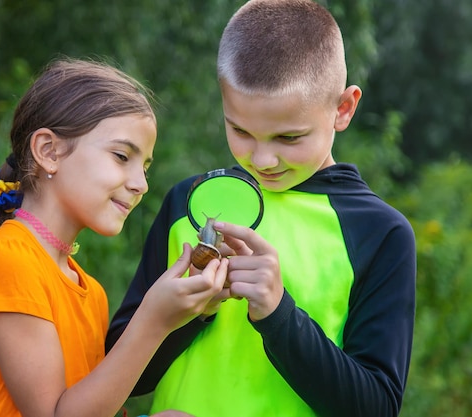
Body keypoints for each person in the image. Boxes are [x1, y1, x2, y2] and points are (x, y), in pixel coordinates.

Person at [105, 1, 416, 416]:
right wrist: (192, 312)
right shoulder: (187, 203)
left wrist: (278, 313)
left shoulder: (380, 233)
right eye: (240, 130)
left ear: (343, 108)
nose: (263, 159)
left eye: (289, 137)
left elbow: (376, 407)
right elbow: (126, 376)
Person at [0, 57, 227, 417]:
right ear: (49, 151)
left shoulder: (89, 291)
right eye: (121, 156)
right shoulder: (7, 260)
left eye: (144, 166)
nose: (141, 184)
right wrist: (154, 320)